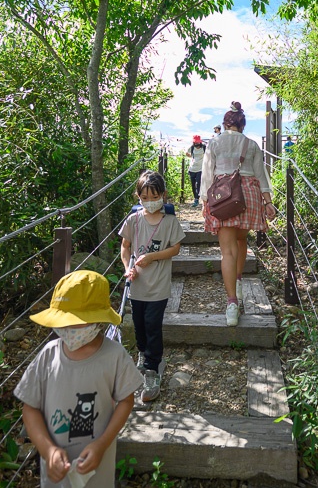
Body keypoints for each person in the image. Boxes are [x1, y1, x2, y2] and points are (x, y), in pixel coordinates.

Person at [14, 270, 144, 488]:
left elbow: (126, 401)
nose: (65, 329)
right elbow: (30, 409)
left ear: (97, 321)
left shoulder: (114, 356)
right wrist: (48, 450)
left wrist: (101, 444)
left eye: (73, 322)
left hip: (97, 473)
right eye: (62, 321)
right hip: (55, 475)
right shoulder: (48, 356)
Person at [200, 101, 277, 327]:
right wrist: (268, 202)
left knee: (227, 251)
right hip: (248, 196)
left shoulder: (214, 143)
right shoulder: (251, 145)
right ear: (242, 125)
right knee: (242, 240)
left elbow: (207, 174)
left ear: (225, 124)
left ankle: (232, 303)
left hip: (223, 197)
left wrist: (205, 200)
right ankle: (239, 280)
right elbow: (261, 175)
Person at [118, 170, 185, 403]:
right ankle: (143, 353)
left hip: (158, 286)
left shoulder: (170, 221)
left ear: (163, 195)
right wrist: (128, 267)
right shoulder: (134, 220)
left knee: (152, 324)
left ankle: (152, 370)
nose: (149, 201)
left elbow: (175, 249)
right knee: (139, 324)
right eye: (144, 197)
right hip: (137, 284)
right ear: (138, 196)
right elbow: (125, 246)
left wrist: (153, 257)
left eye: (153, 196)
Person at [186, 135, 207, 206]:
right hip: (192, 168)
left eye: (197, 142)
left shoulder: (204, 147)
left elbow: (209, 154)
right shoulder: (192, 148)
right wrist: (191, 156)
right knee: (193, 184)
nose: (196, 144)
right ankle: (195, 198)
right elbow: (187, 153)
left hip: (200, 168)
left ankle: (197, 199)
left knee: (198, 183)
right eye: (195, 142)